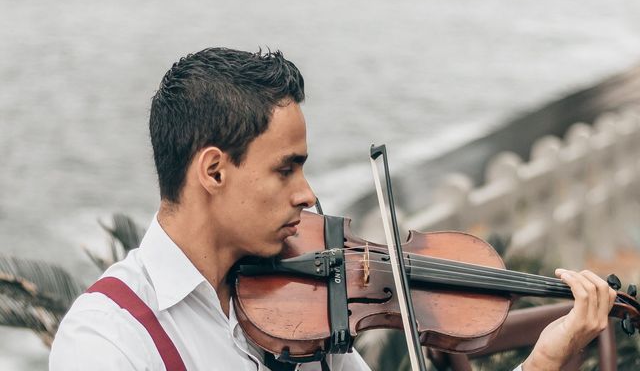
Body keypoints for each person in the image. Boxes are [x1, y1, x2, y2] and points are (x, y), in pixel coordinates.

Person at [49, 47, 617, 371]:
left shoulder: (311, 309)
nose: (307, 193)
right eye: (285, 168)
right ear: (214, 171)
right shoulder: (108, 341)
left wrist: (546, 361)